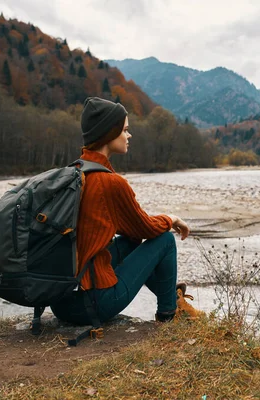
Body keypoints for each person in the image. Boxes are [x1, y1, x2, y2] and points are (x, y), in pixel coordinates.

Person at [50, 97, 202, 324]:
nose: (129, 136)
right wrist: (173, 218)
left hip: (61, 302)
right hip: (93, 304)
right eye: (125, 130)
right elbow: (148, 228)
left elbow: (133, 230)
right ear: (109, 133)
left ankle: (173, 298)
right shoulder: (109, 183)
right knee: (165, 240)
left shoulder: (74, 173)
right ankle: (170, 312)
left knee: (130, 241)